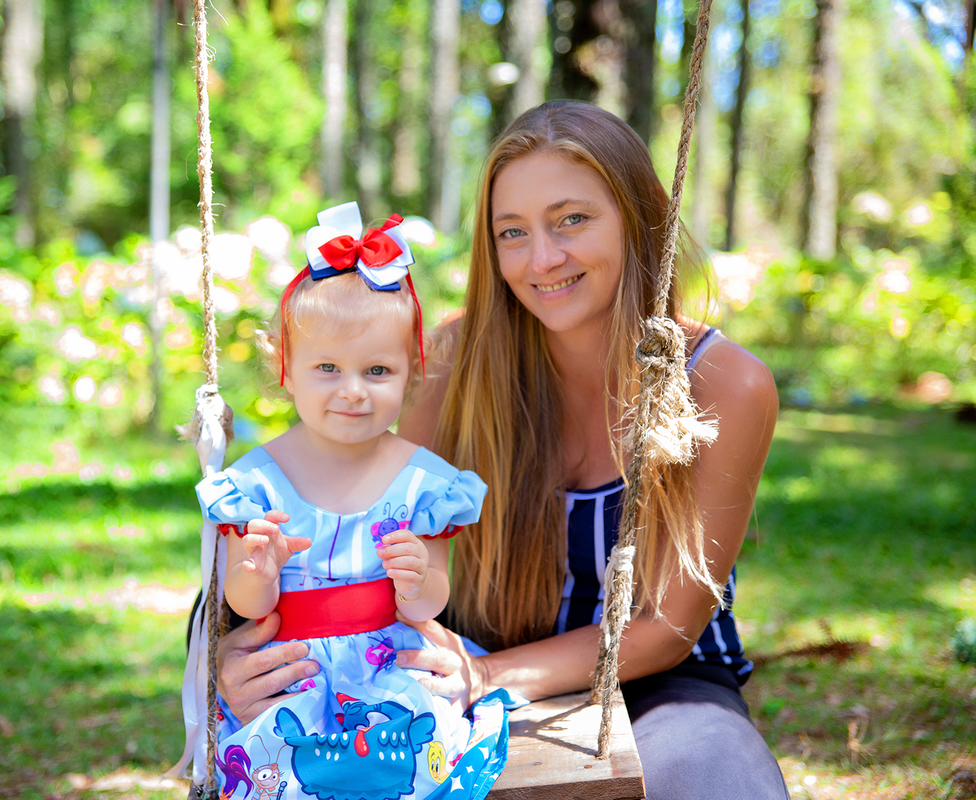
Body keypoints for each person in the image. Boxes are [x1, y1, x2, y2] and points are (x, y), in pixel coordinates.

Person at [211, 103, 790, 800]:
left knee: (718, 787)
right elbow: (341, 512)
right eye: (511, 232)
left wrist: (488, 677)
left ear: (639, 218)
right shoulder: (454, 361)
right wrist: (252, 646)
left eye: (572, 219)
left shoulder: (724, 383)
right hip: (448, 664)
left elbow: (662, 627)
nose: (541, 259)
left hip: (657, 684)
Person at [192, 202, 512, 800]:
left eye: (378, 371)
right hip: (296, 672)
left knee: (404, 763)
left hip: (390, 670)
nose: (353, 391)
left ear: (412, 374)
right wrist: (257, 571)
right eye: (328, 368)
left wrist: (418, 580)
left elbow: (431, 604)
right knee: (286, 772)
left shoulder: (425, 483)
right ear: (286, 369)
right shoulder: (257, 482)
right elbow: (247, 601)